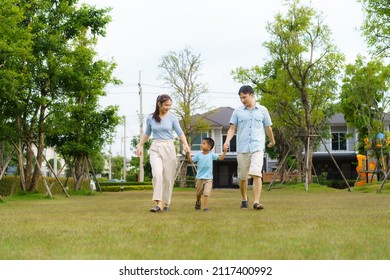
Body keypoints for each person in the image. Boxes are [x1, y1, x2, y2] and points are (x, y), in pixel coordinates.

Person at [223, 85, 275, 210]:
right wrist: (227, 141)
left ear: (252, 95)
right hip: (242, 148)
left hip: (257, 147)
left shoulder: (263, 110)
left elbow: (268, 127)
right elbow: (232, 128)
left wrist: (272, 141)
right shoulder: (237, 111)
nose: (242, 100)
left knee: (257, 174)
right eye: (241, 98)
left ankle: (256, 202)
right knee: (242, 177)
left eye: (244, 97)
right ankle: (244, 198)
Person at [136, 94, 191, 213]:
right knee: (157, 175)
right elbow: (147, 133)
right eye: (166, 105)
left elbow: (180, 132)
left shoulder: (172, 118)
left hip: (169, 147)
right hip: (155, 146)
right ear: (159, 104)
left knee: (168, 177)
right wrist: (140, 145)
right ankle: (158, 203)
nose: (168, 107)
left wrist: (186, 144)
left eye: (170, 105)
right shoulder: (150, 118)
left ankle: (166, 203)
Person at [187, 137, 227, 212]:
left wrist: (224, 152)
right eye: (201, 143)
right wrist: (188, 153)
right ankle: (198, 202)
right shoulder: (198, 155)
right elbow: (191, 161)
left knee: (206, 193)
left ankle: (206, 208)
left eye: (203, 143)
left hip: (208, 178)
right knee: (198, 193)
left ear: (209, 147)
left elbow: (221, 158)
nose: (201, 144)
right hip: (199, 178)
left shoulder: (212, 155)